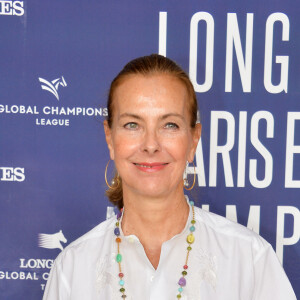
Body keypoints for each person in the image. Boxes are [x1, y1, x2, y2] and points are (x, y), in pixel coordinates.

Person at [43, 54, 296, 300]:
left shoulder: (250, 260)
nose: (150, 144)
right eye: (133, 125)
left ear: (193, 140)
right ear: (110, 138)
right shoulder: (72, 269)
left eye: (170, 125)